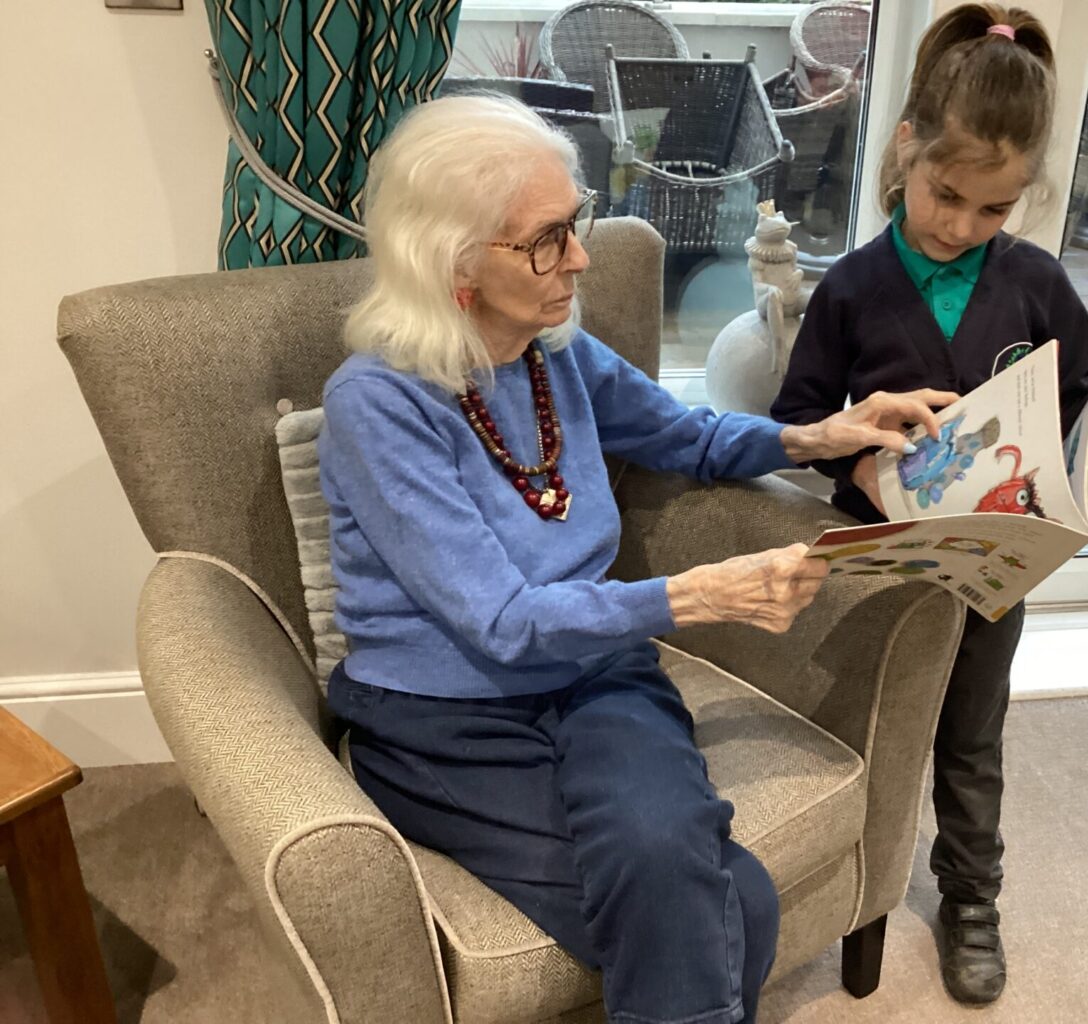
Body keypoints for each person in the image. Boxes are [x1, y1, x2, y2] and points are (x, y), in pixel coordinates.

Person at [318, 94, 956, 1024]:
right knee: (735, 900)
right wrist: (694, 597)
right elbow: (499, 622)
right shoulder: (377, 404)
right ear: (453, 261)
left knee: (679, 867)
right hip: (444, 713)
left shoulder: (555, 353)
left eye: (571, 224)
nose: (579, 258)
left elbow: (687, 436)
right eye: (546, 241)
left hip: (593, 669)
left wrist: (822, 435)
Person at [771, 4, 1088, 1005]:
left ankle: (972, 899)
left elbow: (1077, 405)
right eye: (946, 195)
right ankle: (852, 882)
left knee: (972, 737)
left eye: (993, 209)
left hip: (994, 565)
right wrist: (858, 461)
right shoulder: (850, 288)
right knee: (868, 723)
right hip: (881, 562)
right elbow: (797, 420)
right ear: (906, 147)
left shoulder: (1036, 286)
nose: (959, 226)